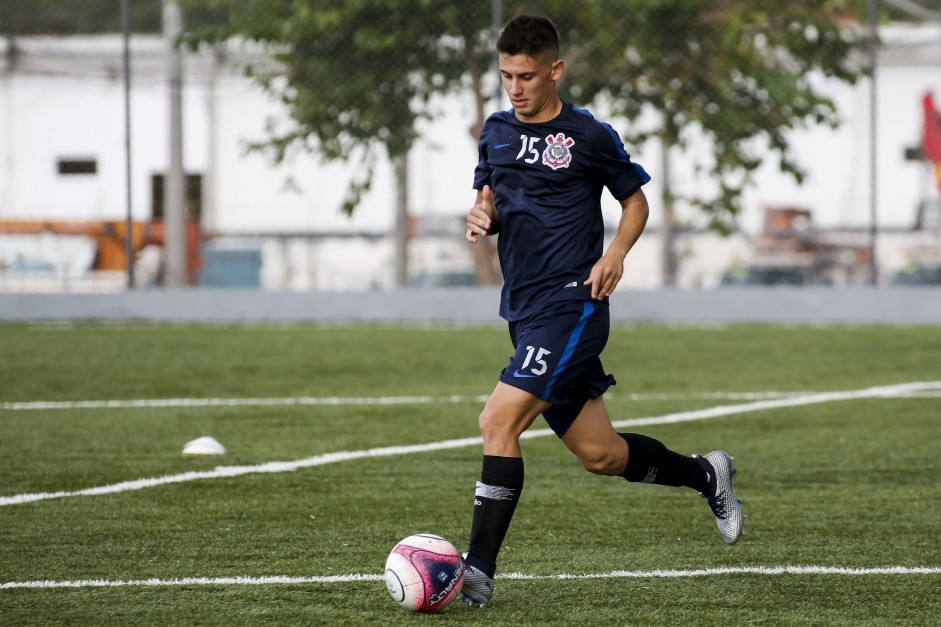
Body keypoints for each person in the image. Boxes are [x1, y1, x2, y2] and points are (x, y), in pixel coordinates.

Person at [460, 14, 744, 606]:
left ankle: (477, 573)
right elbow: (488, 196)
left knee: (497, 421)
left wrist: (615, 252)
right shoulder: (494, 131)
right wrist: (481, 216)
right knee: (602, 455)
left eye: (528, 76)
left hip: (575, 305)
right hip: (524, 311)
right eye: (507, 75)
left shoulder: (589, 134)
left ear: (556, 70)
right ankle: (706, 474)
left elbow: (636, 202)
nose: (516, 87)